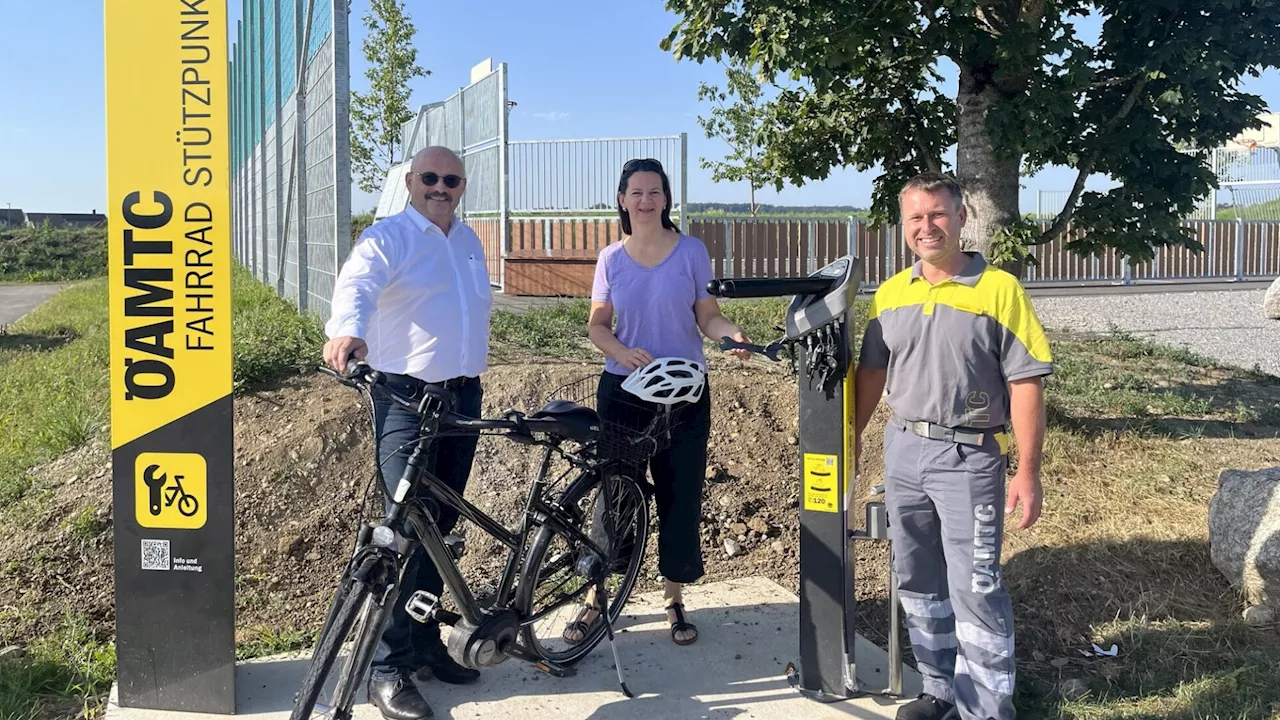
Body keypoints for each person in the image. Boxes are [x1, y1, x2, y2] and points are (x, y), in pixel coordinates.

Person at [854, 172, 1052, 720]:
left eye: (937, 214)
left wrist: (1028, 473)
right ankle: (938, 689)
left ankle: (987, 709)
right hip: (904, 450)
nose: (927, 227)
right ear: (903, 226)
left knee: (976, 584)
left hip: (968, 457)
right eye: (915, 217)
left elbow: (1026, 383)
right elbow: (872, 373)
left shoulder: (999, 290)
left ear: (961, 217)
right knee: (916, 578)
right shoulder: (891, 295)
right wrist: (847, 440)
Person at [323, 145, 492, 720]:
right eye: (429, 178)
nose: (440, 187)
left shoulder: (467, 241)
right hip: (406, 400)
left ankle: (422, 645)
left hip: (463, 397)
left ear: (462, 187)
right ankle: (386, 669)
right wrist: (348, 332)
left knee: (440, 530)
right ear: (410, 181)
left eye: (451, 180)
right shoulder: (389, 236)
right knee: (403, 531)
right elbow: (358, 286)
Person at [572, 157, 750, 647]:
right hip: (625, 394)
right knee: (614, 499)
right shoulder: (610, 258)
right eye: (636, 192)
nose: (646, 200)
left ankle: (672, 596)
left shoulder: (692, 251)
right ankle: (598, 600)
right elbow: (597, 325)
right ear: (623, 201)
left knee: (680, 497)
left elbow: (708, 315)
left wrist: (728, 332)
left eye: (655, 191)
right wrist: (621, 352)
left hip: (685, 394)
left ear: (666, 199)